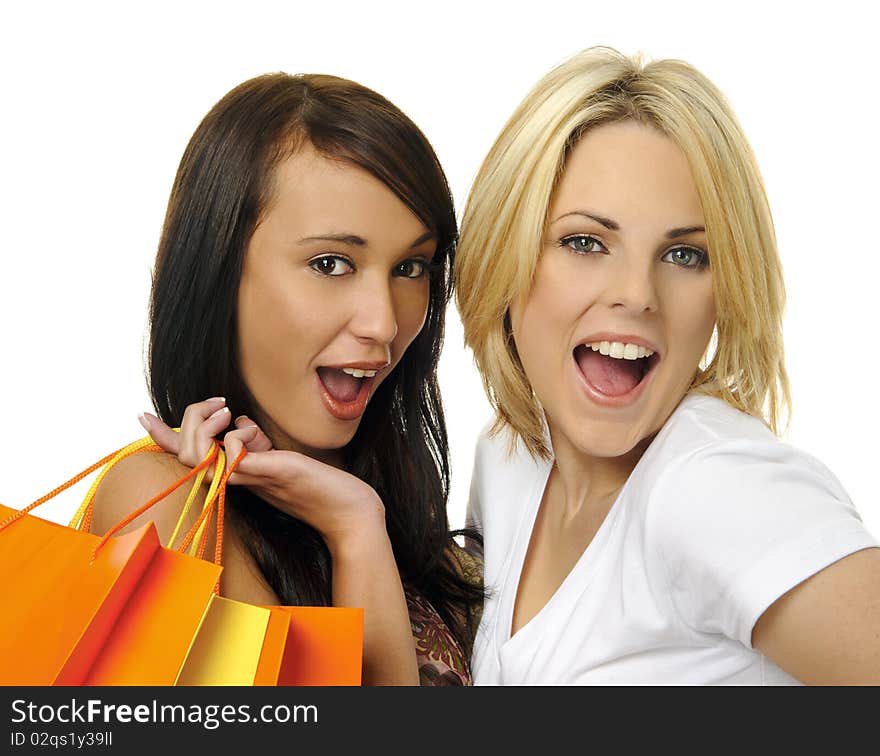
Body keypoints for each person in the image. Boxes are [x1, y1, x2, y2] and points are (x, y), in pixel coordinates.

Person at [455, 46, 880, 685]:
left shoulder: (715, 485)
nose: (638, 293)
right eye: (585, 242)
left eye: (685, 255)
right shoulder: (510, 457)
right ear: (503, 254)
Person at [89, 72, 482, 686]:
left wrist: (356, 522)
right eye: (331, 264)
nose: (383, 323)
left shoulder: (421, 541)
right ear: (218, 272)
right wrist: (354, 531)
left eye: (411, 266)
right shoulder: (167, 505)